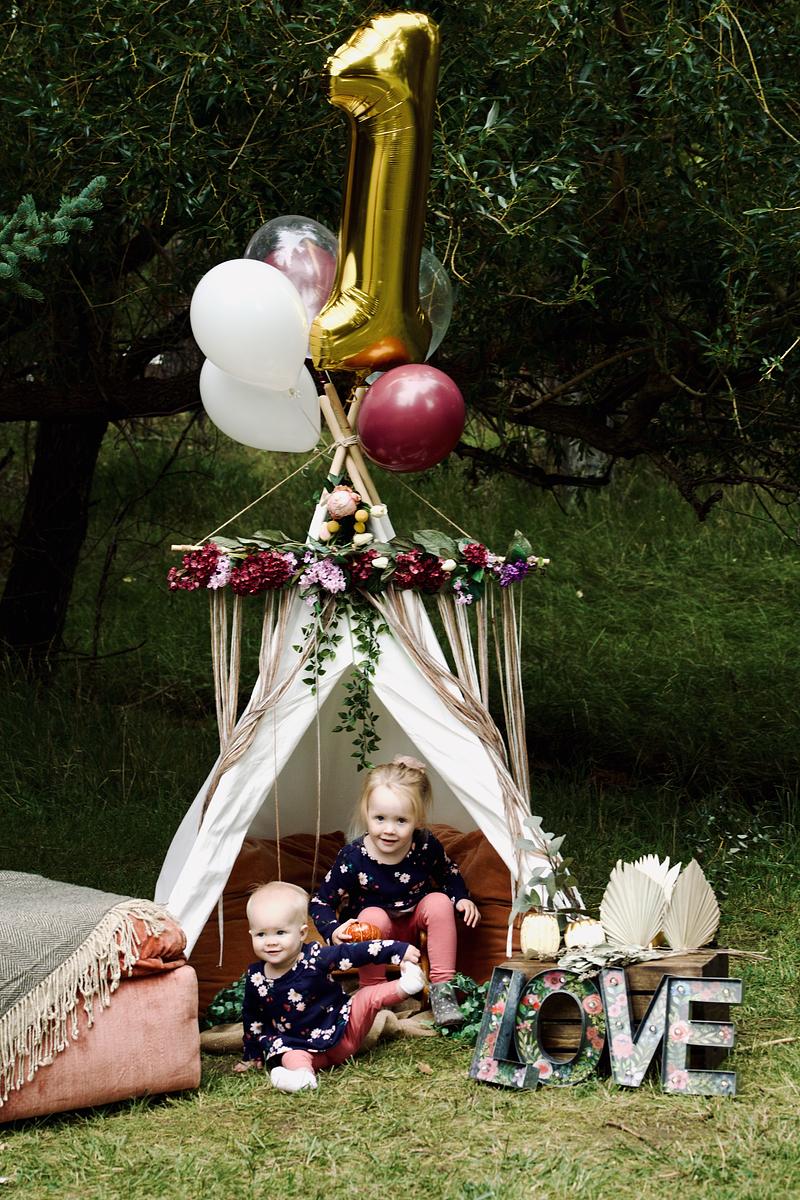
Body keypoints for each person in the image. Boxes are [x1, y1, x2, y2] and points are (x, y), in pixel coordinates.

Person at [310, 755, 480, 1027]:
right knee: (373, 915)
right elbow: (320, 902)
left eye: (401, 821)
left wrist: (460, 897)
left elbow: (448, 872)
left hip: (414, 925)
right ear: (366, 813)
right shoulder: (354, 857)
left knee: (438, 901)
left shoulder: (425, 846)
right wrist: (333, 930)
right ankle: (373, 993)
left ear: (418, 820)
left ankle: (443, 991)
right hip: (374, 934)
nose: (389, 830)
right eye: (379, 818)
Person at [234, 880, 424, 1092]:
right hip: (300, 1047)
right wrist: (252, 1054)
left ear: (302, 933)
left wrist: (397, 950)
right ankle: (302, 1076)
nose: (270, 941)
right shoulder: (256, 977)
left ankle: (405, 985)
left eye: (280, 933)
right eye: (261, 934)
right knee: (289, 1054)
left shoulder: (316, 958)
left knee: (366, 997)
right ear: (251, 934)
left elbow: (356, 952)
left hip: (343, 1031)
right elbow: (252, 1018)